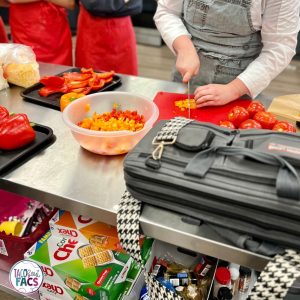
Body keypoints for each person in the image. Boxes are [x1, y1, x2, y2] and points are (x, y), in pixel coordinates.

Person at [154, 0, 300, 107]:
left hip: (239, 89)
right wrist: (184, 47)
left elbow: (280, 47)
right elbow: (166, 12)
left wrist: (234, 89)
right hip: (184, 82)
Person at [75, 4, 138, 75]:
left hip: (121, 28)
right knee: (89, 79)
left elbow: (135, 4)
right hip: (92, 29)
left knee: (125, 80)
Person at [8, 0, 74, 65]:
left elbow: (70, 3)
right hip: (25, 31)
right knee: (28, 70)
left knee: (61, 72)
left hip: (55, 33)